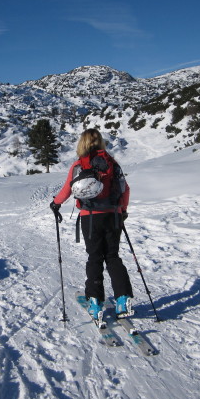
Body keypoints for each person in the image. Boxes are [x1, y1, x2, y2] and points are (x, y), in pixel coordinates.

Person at [50, 128, 133, 323]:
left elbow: (67, 189)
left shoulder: (79, 165)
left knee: (95, 257)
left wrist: (56, 203)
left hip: (90, 217)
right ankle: (123, 298)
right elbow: (125, 189)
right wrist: (123, 210)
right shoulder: (112, 164)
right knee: (112, 256)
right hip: (113, 215)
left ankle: (96, 303)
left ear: (83, 143)